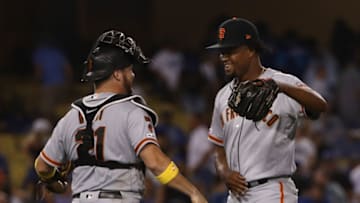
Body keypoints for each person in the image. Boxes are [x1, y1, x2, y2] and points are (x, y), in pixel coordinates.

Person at [34, 30, 207, 203]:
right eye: (129, 70)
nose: (132, 75)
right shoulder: (132, 112)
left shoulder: (70, 117)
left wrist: (53, 181)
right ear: (117, 74)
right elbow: (155, 162)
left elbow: (41, 166)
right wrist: (192, 191)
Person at [205, 17, 327, 203]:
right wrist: (223, 171)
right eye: (222, 52)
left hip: (271, 191)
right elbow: (218, 146)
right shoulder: (222, 96)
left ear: (252, 49)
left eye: (230, 51)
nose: (224, 57)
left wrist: (280, 87)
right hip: (236, 196)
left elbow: (320, 105)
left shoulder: (283, 82)